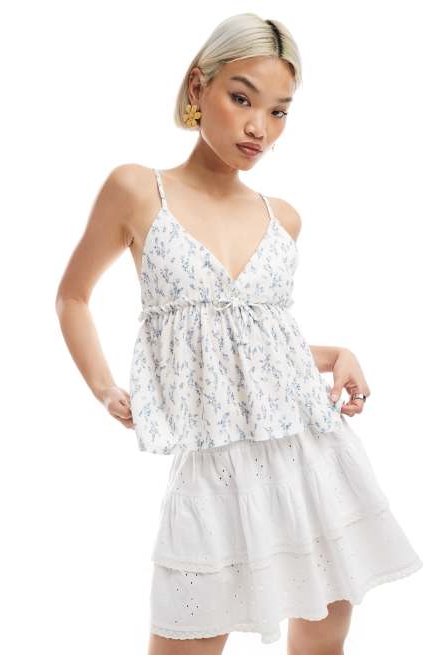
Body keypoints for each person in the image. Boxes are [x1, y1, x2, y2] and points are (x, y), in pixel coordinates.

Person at [55, 12, 423, 655]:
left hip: (312, 458)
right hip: (212, 471)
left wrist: (337, 353)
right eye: (242, 98)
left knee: (323, 642)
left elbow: (253, 344)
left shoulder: (283, 219)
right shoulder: (137, 190)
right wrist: (104, 386)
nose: (260, 127)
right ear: (199, 88)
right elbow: (73, 296)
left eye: (279, 112)